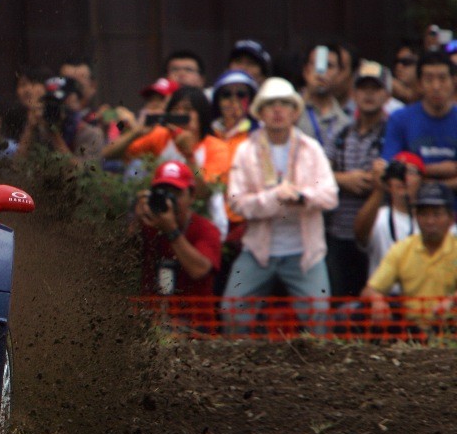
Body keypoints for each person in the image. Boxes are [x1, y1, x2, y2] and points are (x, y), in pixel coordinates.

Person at [225, 77, 339, 336]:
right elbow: (236, 202)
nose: (278, 109)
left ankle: (315, 362)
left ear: (294, 111)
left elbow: (330, 196)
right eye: (270, 104)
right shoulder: (246, 150)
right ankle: (238, 360)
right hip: (258, 250)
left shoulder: (311, 149)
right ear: (260, 112)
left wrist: (302, 197)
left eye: (285, 103)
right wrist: (275, 198)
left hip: (305, 253)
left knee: (319, 314)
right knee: (232, 310)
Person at [107, 86, 230, 237]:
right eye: (175, 110)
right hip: (159, 219)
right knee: (136, 167)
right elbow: (108, 155)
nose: (180, 114)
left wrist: (189, 156)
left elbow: (203, 193)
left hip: (201, 224)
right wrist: (137, 131)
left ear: (202, 114)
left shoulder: (217, 148)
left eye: (187, 110)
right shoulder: (161, 136)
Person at [324, 61, 391, 297]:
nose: (369, 94)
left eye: (376, 88)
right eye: (363, 88)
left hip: (378, 236)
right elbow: (319, 174)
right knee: (339, 301)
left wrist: (374, 180)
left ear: (387, 95)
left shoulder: (392, 132)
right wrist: (343, 179)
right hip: (339, 233)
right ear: (353, 93)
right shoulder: (341, 133)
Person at [362, 181, 457, 332]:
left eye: (437, 214)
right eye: (424, 214)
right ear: (416, 217)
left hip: (450, 327)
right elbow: (371, 289)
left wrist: (452, 301)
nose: (430, 221)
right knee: (356, 311)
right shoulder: (402, 249)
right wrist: (377, 299)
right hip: (411, 329)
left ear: (451, 219)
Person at [133, 159, 221, 298]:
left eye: (176, 193)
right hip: (152, 309)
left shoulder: (206, 229)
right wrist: (135, 220)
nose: (169, 200)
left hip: (193, 310)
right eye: (163, 192)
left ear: (191, 196)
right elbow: (117, 263)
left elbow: (200, 270)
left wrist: (171, 231)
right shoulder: (148, 224)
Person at [208, 69, 259, 290]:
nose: (233, 101)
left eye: (241, 94)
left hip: (246, 226)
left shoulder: (259, 136)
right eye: (226, 95)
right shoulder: (207, 133)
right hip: (211, 223)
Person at [381, 50, 457, 189]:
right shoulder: (400, 118)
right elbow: (391, 168)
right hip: (411, 198)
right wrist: (444, 170)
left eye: (442, 79)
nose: (436, 87)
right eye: (429, 79)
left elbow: (406, 170)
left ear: (453, 81)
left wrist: (419, 174)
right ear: (420, 84)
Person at [354, 152, 431, 285]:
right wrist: (379, 189)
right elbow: (359, 234)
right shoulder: (377, 216)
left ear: (422, 180)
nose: (403, 177)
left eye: (411, 172)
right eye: (398, 172)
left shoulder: (432, 220)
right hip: (383, 293)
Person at [297, 44, 352, 151]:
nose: (321, 73)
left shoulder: (346, 121)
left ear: (339, 74)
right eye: (316, 64)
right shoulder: (291, 111)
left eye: (329, 66)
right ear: (306, 70)